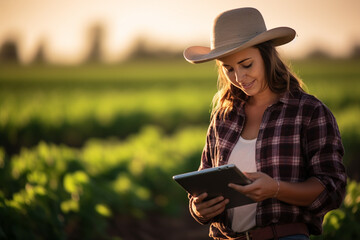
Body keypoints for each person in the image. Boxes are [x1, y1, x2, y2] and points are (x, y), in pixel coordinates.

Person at [183, 7, 346, 240]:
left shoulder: (308, 112)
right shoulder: (223, 117)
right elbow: (204, 182)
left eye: (246, 64)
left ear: (267, 56)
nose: (239, 78)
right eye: (228, 69)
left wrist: (276, 189)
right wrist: (199, 209)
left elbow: (333, 188)